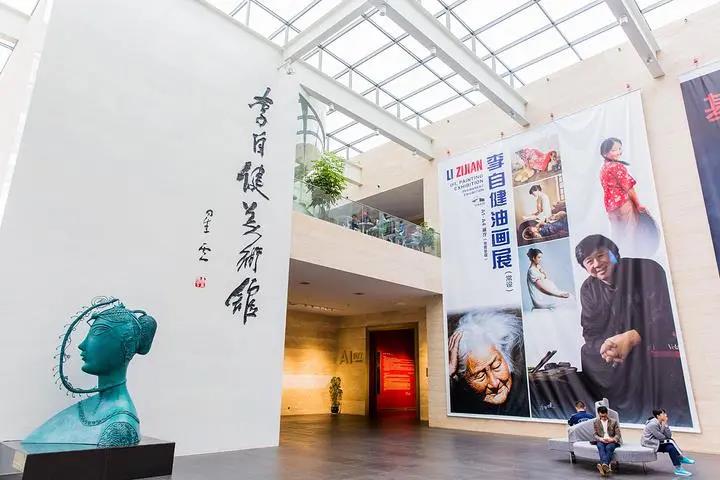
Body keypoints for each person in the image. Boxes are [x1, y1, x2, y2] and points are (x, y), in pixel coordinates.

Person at [575, 235, 691, 426]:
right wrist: (608, 346)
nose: (597, 264)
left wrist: (633, 336)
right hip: (613, 346)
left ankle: (652, 414)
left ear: (614, 253)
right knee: (587, 351)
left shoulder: (647, 269)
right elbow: (590, 329)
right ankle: (613, 415)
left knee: (641, 353)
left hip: (650, 338)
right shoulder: (588, 288)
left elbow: (664, 315)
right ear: (585, 267)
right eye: (589, 261)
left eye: (601, 255)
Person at [24, 298, 157, 447]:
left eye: (97, 333)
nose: (82, 345)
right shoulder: (94, 406)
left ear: (123, 346)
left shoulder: (120, 427)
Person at [447, 308, 529, 417]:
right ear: (463, 380)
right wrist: (449, 373)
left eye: (496, 366)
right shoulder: (459, 405)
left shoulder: (528, 392)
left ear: (506, 359)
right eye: (480, 376)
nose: (494, 383)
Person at [598, 138, 657, 254]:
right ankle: (632, 258)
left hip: (611, 209)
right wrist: (638, 204)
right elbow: (628, 187)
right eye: (614, 150)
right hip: (623, 205)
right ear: (605, 153)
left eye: (620, 149)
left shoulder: (603, 168)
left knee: (617, 236)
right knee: (631, 233)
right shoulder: (617, 166)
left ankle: (619, 259)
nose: (619, 152)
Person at [641, 409, 696, 477]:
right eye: (663, 414)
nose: (665, 415)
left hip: (657, 442)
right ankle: (681, 458)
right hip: (649, 443)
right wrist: (664, 425)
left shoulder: (661, 422)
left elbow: (669, 436)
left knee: (671, 447)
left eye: (665, 413)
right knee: (670, 442)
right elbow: (661, 437)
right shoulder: (652, 424)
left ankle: (678, 469)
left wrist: (665, 425)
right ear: (658, 416)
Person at [593, 406, 622, 477]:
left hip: (611, 441)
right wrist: (600, 439)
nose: (603, 418)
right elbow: (595, 434)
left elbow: (618, 434)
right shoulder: (596, 422)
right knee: (600, 447)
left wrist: (612, 439)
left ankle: (603, 465)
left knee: (609, 447)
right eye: (601, 416)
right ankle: (605, 467)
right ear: (599, 414)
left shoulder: (613, 421)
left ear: (607, 414)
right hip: (601, 440)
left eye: (605, 416)